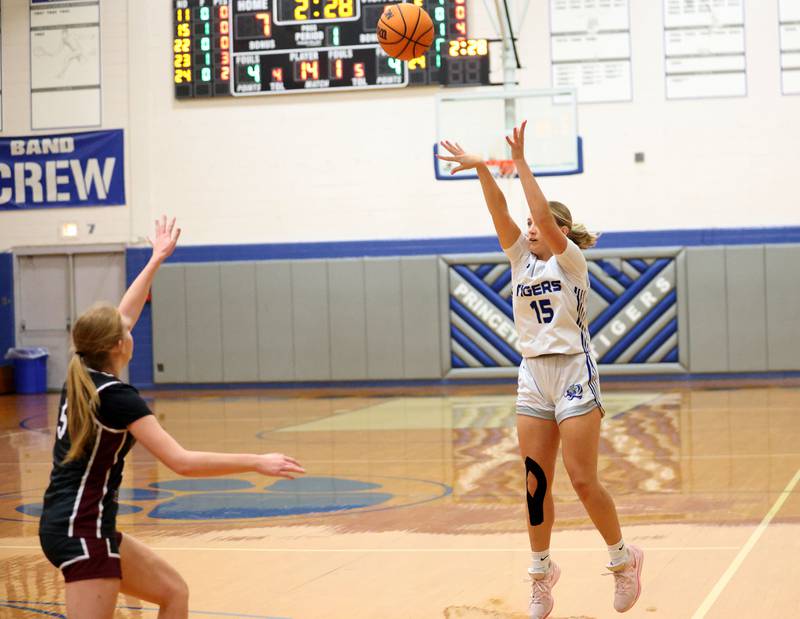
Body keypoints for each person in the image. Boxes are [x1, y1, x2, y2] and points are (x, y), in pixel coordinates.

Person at [38, 217, 305, 619]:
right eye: (126, 330)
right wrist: (256, 461)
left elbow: (123, 316)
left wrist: (156, 259)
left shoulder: (82, 372)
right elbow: (180, 461)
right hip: (81, 530)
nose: (131, 329)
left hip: (80, 522)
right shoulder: (118, 398)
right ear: (118, 345)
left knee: (173, 592)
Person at [438, 123, 643, 618]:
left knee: (582, 479)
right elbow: (498, 211)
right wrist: (485, 168)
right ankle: (540, 573)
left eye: (538, 225)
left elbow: (539, 219)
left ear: (560, 232)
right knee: (535, 481)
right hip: (532, 375)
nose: (529, 230)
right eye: (528, 226)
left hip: (574, 371)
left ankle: (623, 560)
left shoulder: (570, 263)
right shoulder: (519, 262)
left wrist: (521, 164)